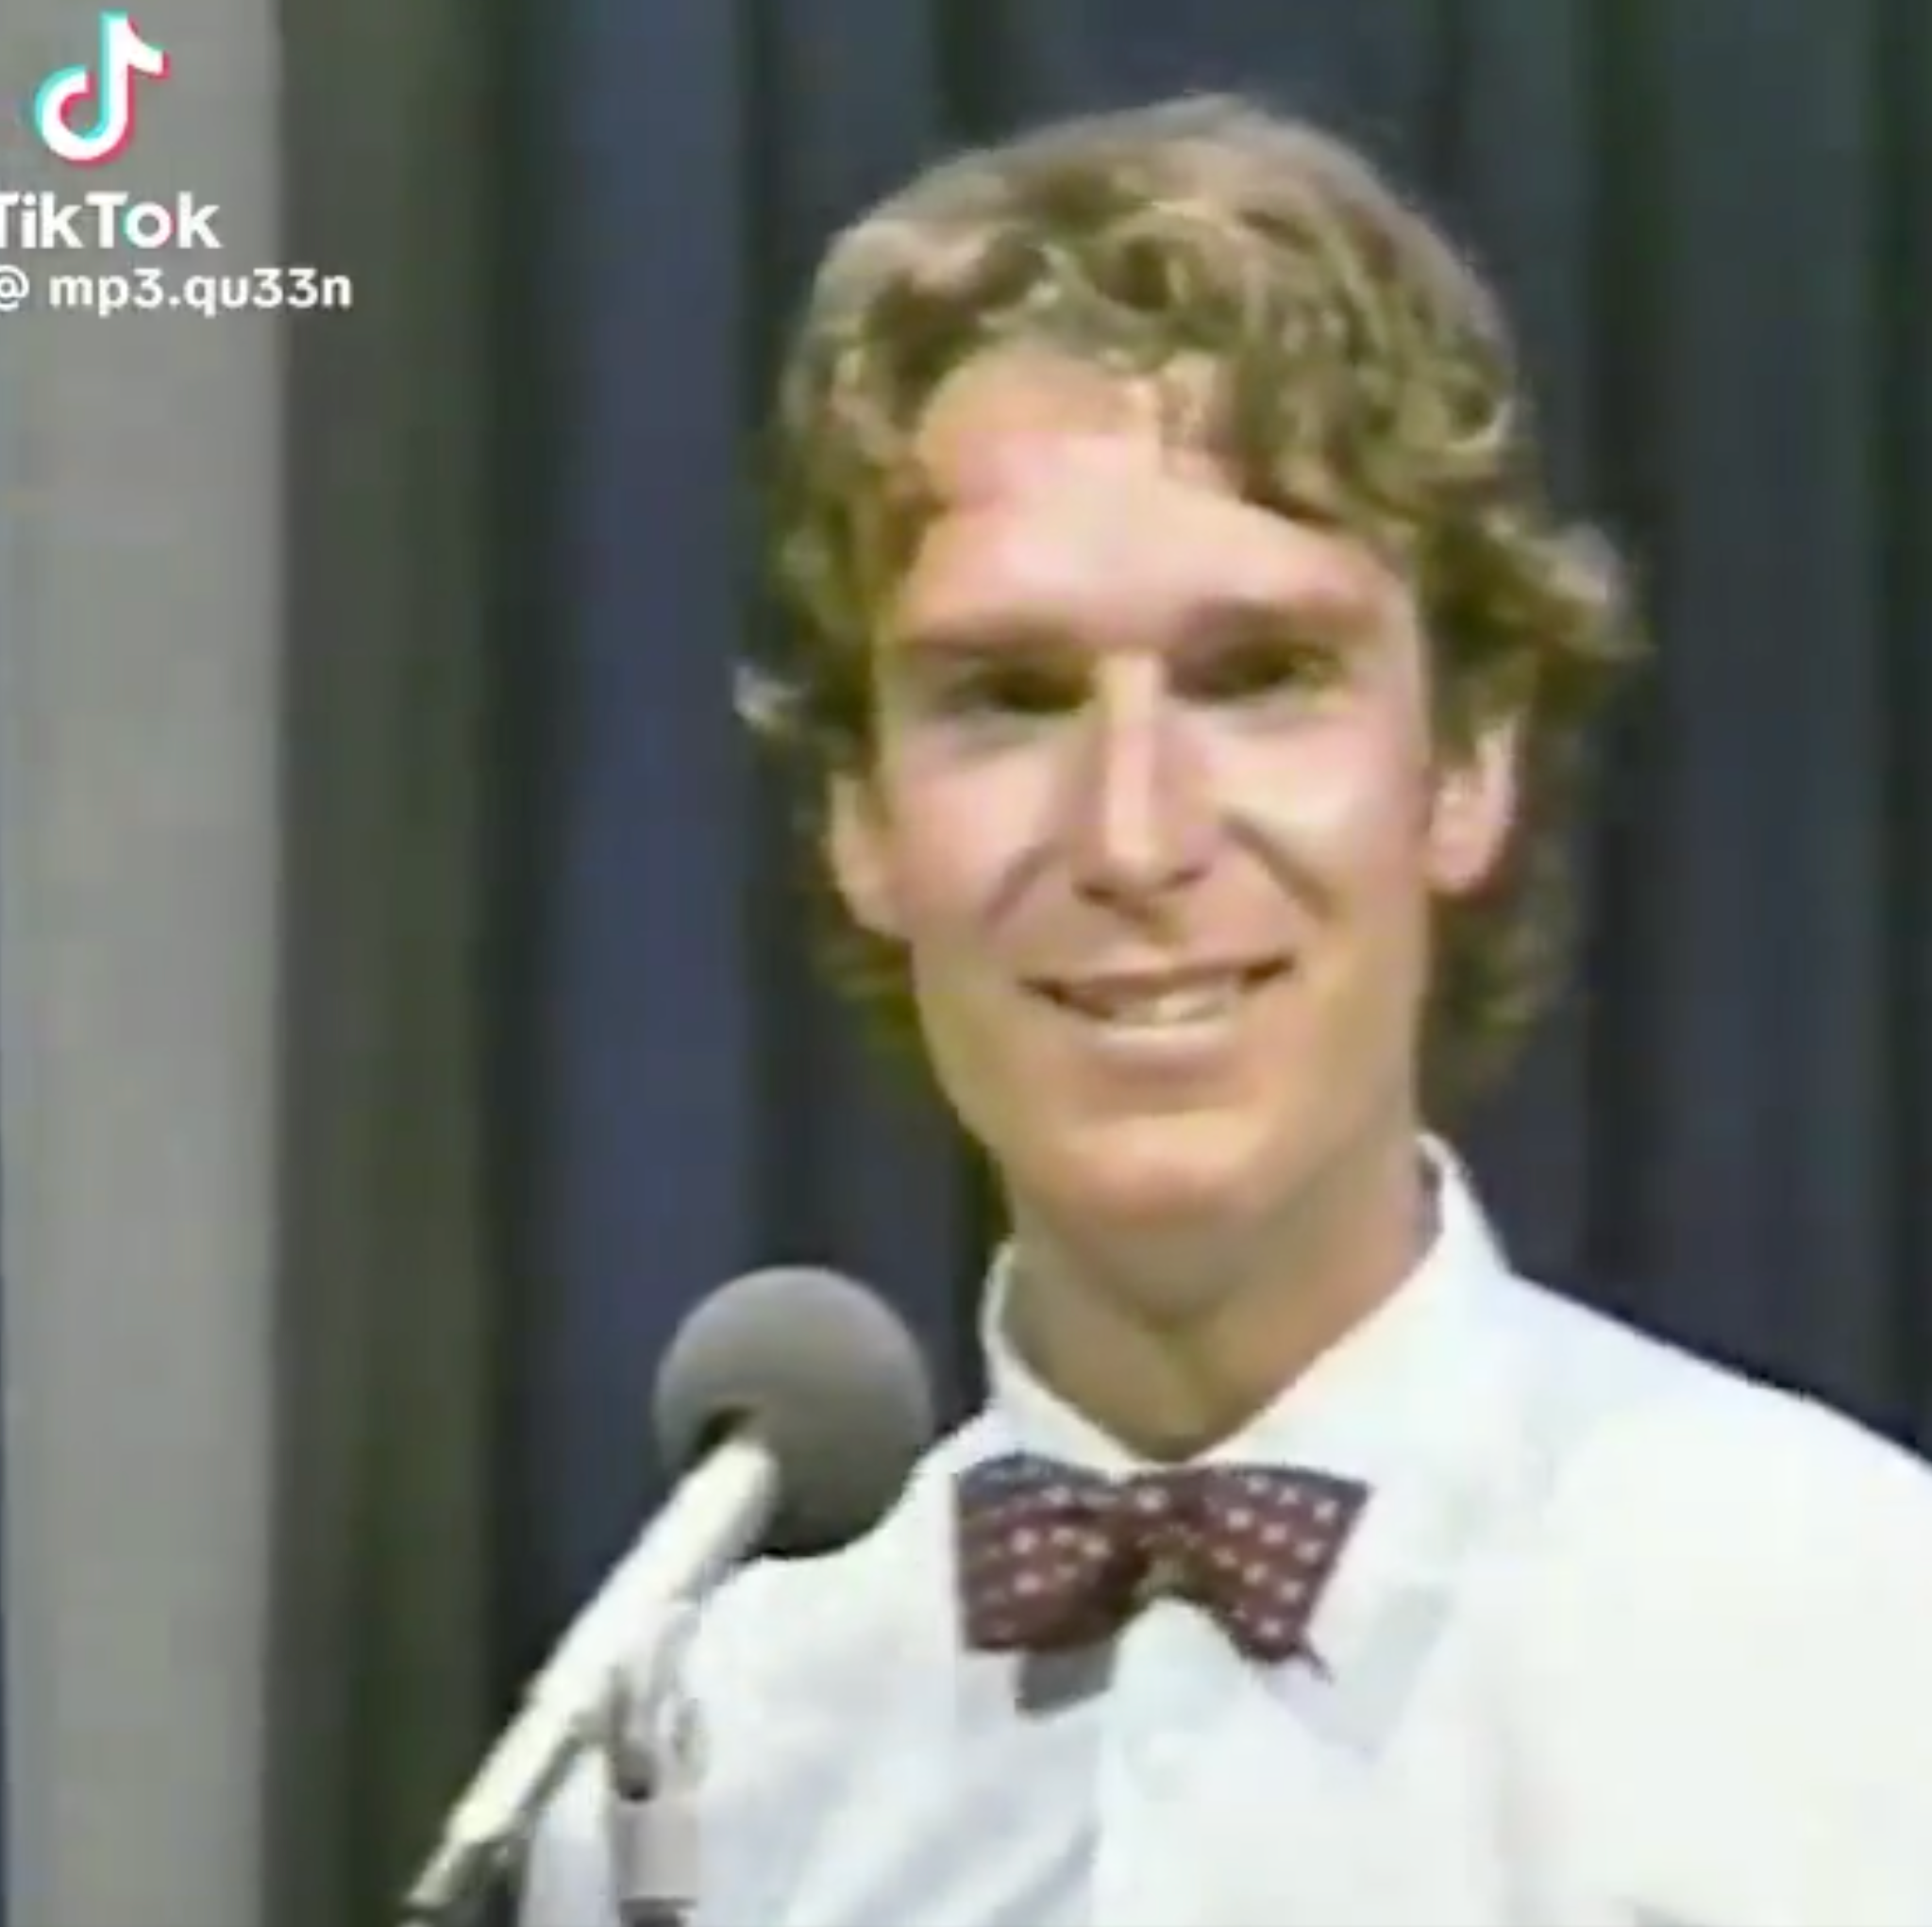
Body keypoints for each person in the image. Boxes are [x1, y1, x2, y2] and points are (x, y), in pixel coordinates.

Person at [522, 96, 1932, 1926]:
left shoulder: (1857, 1641)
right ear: (859, 820)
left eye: (1259, 677)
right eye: (1008, 697)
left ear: (1464, 765)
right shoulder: (685, 1770)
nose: (1133, 835)